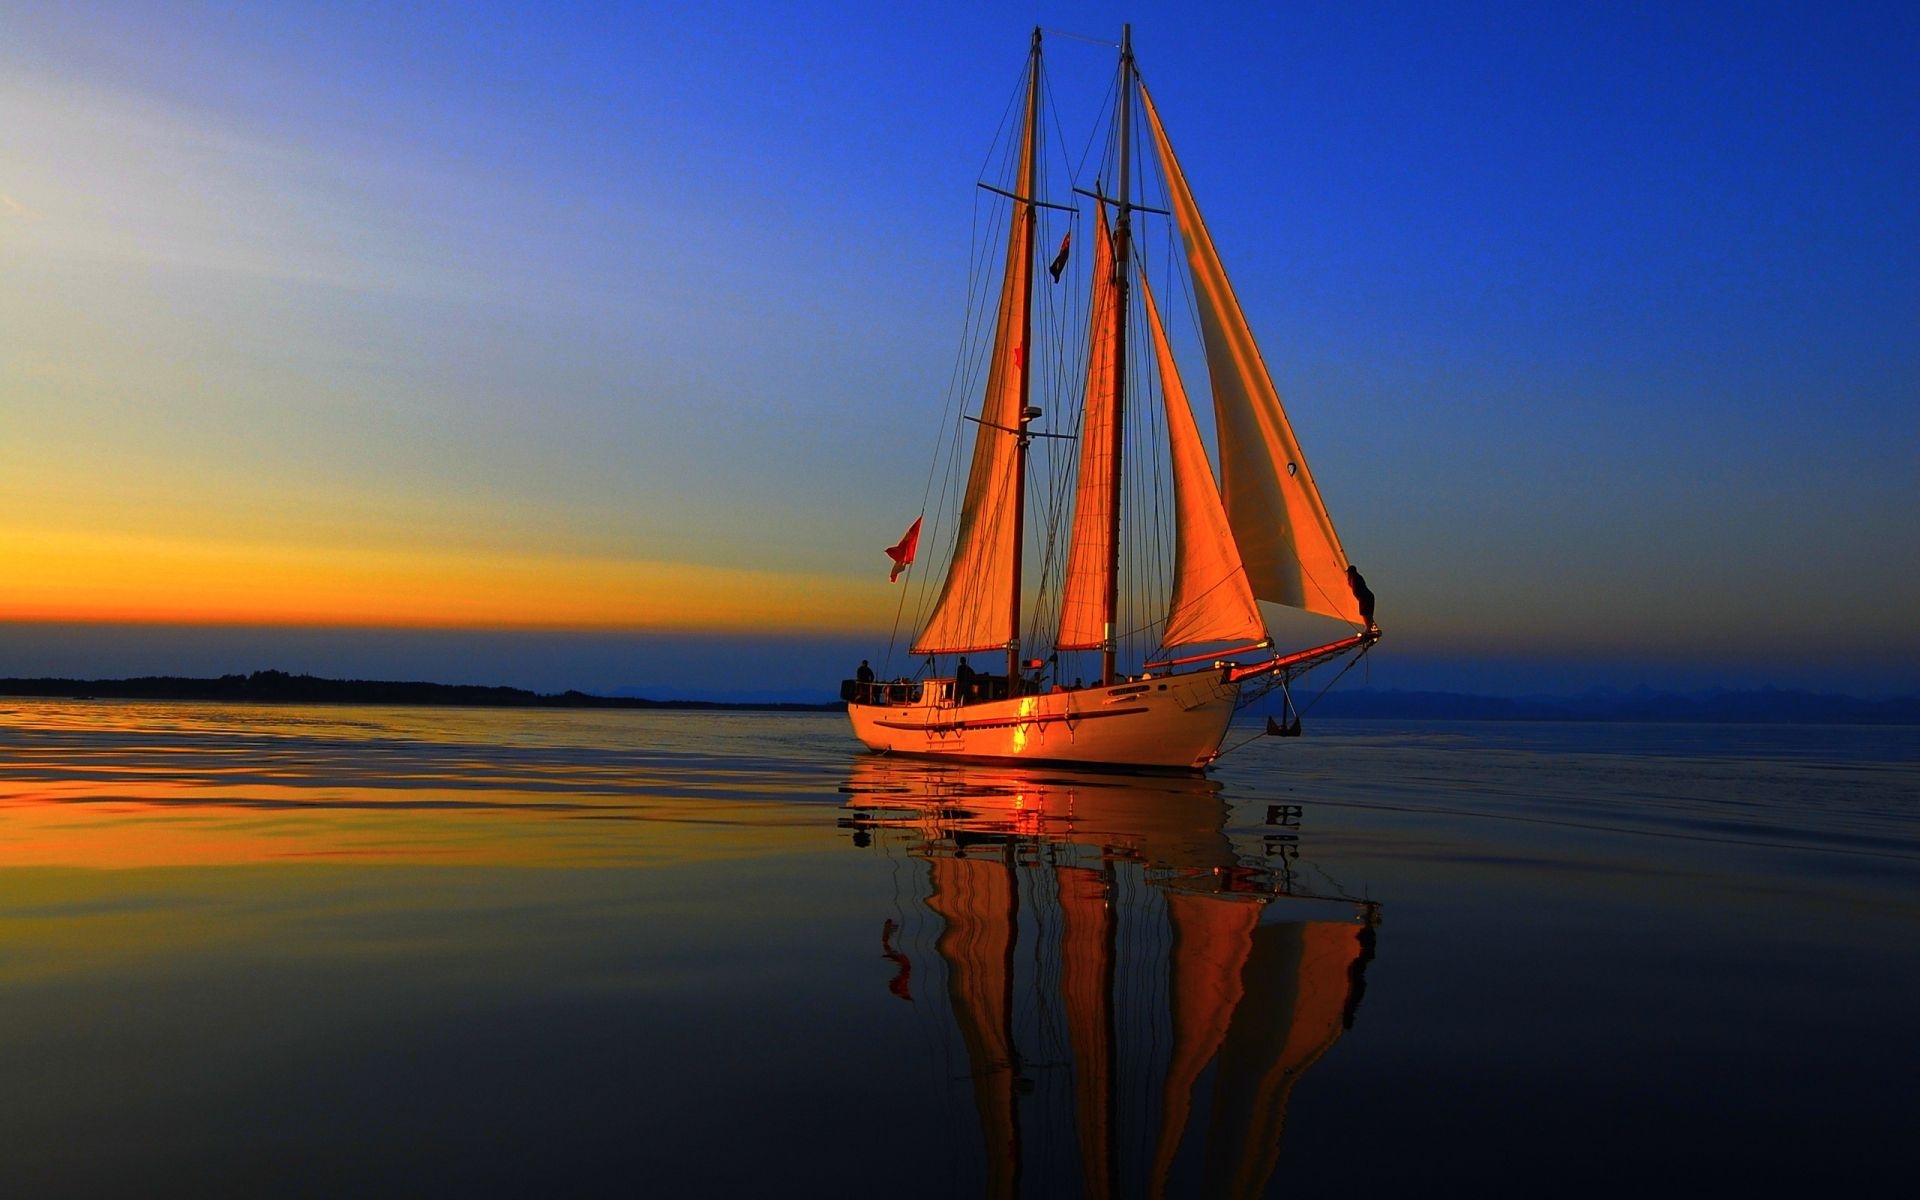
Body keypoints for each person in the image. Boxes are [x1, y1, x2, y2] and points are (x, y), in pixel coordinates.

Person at [1346, 564, 1377, 631]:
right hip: (1369, 596)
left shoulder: (1354, 578)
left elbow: (1355, 591)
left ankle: (1369, 630)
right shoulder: (1358, 577)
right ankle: (1372, 629)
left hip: (1365, 597)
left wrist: (1359, 599)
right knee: (1368, 614)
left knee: (1365, 613)